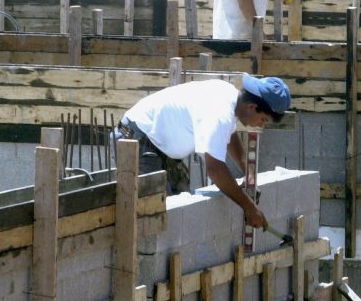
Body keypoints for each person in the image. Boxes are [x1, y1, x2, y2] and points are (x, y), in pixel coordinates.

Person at [118, 74, 291, 230]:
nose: (261, 125)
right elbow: (215, 169)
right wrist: (249, 207)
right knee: (153, 221)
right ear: (252, 107)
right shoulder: (219, 112)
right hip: (136, 142)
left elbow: (229, 136)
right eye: (263, 119)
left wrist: (249, 173)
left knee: (178, 210)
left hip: (157, 145)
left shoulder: (230, 98)